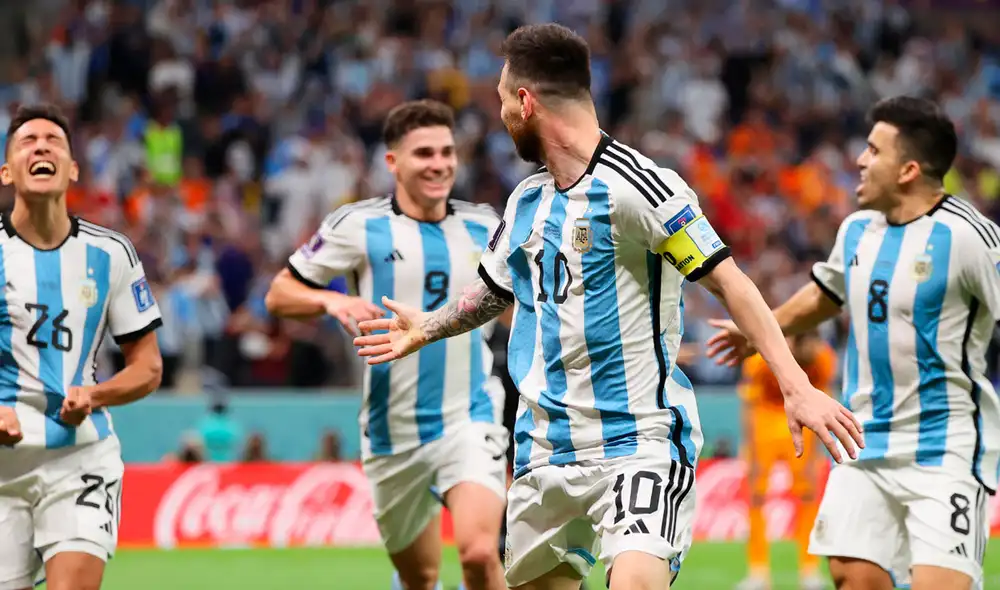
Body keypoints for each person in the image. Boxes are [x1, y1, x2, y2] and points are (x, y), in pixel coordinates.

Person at [353, 23, 863, 590]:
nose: (499, 115)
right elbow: (491, 292)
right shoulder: (526, 200)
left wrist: (794, 386)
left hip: (638, 446)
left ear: (526, 102)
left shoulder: (640, 188)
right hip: (544, 450)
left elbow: (731, 283)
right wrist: (426, 326)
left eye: (502, 100)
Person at [706, 96, 1000, 590]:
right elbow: (826, 293)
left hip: (944, 447)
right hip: (866, 438)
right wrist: (762, 332)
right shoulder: (858, 230)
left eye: (872, 150)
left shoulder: (969, 237)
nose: (859, 161)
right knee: (851, 573)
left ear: (908, 169)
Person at [265, 99, 509, 590]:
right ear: (393, 162)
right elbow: (278, 294)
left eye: (446, 152)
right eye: (424, 153)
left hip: (470, 414)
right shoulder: (356, 225)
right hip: (390, 431)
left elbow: (527, 295)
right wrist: (331, 303)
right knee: (419, 577)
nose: (439, 164)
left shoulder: (487, 224)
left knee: (481, 553)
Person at [0, 103, 164, 590]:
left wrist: (94, 395)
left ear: (72, 169)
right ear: (6, 172)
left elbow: (148, 367)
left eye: (54, 141)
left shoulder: (111, 253)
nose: (42, 146)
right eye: (28, 141)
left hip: (79, 459)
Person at [736, 331, 836, 590]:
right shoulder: (761, 359)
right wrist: (751, 448)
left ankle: (809, 569)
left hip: (803, 427)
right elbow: (749, 404)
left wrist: (817, 453)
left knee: (808, 497)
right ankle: (758, 571)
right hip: (765, 426)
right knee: (756, 498)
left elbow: (823, 400)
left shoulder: (822, 358)